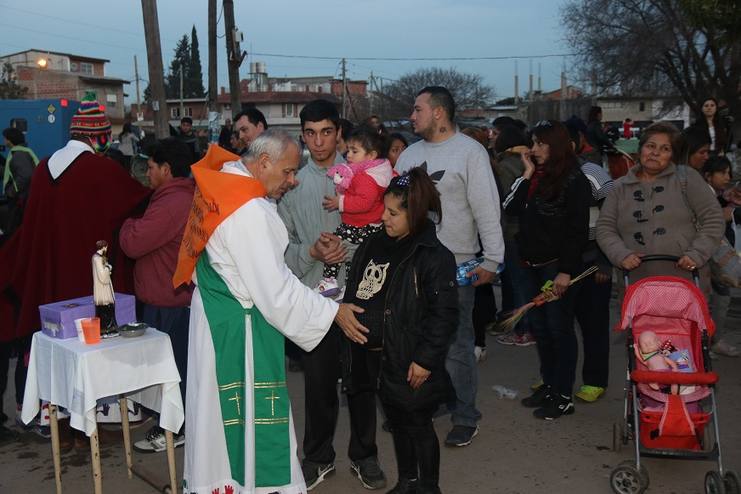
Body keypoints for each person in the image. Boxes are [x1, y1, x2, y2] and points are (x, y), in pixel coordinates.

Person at [177, 130, 370, 494]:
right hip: (237, 331)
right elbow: (275, 292)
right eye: (289, 172)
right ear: (263, 163)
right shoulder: (248, 211)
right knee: (246, 426)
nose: (293, 181)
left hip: (216, 318)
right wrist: (332, 311)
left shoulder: (224, 183)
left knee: (215, 422)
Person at [0, 92, 150, 436]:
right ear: (97, 136)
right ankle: (93, 414)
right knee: (89, 346)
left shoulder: (42, 169)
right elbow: (135, 201)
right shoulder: (101, 169)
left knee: (53, 343)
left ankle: (50, 415)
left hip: (48, 275)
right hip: (89, 280)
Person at [278, 100, 386, 490]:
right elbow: (280, 248)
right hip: (314, 300)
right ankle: (318, 456)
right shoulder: (290, 184)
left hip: (362, 294)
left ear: (339, 133)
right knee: (319, 385)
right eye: (310, 133)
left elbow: (387, 228)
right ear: (302, 135)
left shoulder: (369, 175)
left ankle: (365, 455)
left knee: (361, 383)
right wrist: (312, 252)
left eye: (326, 132)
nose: (318, 141)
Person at [396, 86, 504, 446]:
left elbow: (487, 208)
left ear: (438, 113)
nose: (412, 116)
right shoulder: (409, 155)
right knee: (420, 342)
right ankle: (435, 401)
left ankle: (465, 415)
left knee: (458, 346)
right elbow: (394, 208)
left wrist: (492, 259)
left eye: (417, 109)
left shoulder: (470, 153)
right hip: (413, 265)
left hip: (457, 265)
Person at [342, 168, 458, 494]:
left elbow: (444, 315)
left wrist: (424, 359)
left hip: (408, 358)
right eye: (384, 209)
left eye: (393, 213)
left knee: (417, 423)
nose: (384, 218)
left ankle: (428, 487)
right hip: (372, 356)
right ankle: (407, 481)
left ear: (416, 213)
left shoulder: (433, 257)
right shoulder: (375, 243)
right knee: (396, 421)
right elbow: (358, 288)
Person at [504, 120, 591, 420]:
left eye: (541, 144)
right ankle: (550, 384)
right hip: (529, 263)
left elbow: (577, 231)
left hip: (556, 266)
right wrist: (527, 174)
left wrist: (565, 272)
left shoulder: (575, 179)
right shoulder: (535, 175)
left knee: (559, 329)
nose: (534, 148)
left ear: (556, 145)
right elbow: (511, 209)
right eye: (533, 142)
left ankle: (563, 395)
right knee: (540, 328)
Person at [120, 137, 196, 451]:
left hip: (170, 301)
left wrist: (127, 224)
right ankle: (174, 423)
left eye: (151, 167)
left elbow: (133, 243)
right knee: (176, 368)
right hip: (172, 296)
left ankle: (175, 429)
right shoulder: (178, 196)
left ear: (166, 169)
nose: (147, 173)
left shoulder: (172, 202)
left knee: (173, 370)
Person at [596, 122, 724, 294]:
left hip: (685, 280)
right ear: (641, 149)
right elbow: (605, 228)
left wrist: (696, 254)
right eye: (650, 146)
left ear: (672, 155)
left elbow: (713, 219)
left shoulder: (687, 179)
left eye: (665, 149)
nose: (655, 153)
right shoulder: (619, 187)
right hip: (637, 283)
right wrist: (621, 255)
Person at [564, 122, 615, 403]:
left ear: (573, 143)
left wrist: (606, 261)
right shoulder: (546, 175)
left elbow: (614, 216)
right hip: (561, 264)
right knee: (558, 326)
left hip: (593, 263)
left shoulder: (592, 173)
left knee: (593, 324)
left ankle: (595, 380)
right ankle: (557, 375)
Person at [316, 126, 393, 297]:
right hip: (367, 225)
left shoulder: (366, 177)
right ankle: (351, 287)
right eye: (348, 150)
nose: (348, 155)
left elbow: (364, 202)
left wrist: (340, 202)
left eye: (354, 151)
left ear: (371, 155)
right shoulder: (373, 173)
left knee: (333, 244)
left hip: (360, 225)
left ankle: (329, 281)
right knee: (355, 259)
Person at [492, 125, 536, 348]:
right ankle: (526, 326)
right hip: (530, 231)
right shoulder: (529, 159)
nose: (492, 136)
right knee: (526, 283)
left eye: (496, 132)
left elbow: (507, 202)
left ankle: (524, 329)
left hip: (512, 231)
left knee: (518, 283)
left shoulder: (505, 166)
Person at [700, 156, 739, 357]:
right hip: (709, 256)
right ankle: (706, 343)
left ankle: (715, 340)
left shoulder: (716, 194)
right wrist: (729, 211)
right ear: (708, 176)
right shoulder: (704, 195)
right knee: (707, 299)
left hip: (715, 256)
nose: (727, 177)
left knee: (722, 297)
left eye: (729, 173)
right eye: (722, 172)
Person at [1, 127, 38, 239]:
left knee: (13, 230)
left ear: (10, 140)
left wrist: (12, 191)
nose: (4, 141)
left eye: (5, 138)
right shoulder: (22, 152)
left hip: (20, 199)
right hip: (24, 198)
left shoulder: (19, 155)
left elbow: (25, 175)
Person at [92, 240, 118, 337]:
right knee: (106, 307)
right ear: (103, 247)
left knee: (107, 308)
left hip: (104, 286)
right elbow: (102, 276)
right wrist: (108, 268)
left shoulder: (99, 258)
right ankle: (107, 330)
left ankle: (108, 329)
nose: (106, 249)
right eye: (106, 247)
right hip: (102, 288)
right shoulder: (97, 259)